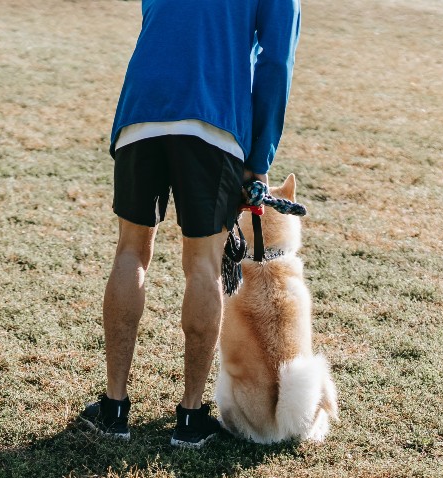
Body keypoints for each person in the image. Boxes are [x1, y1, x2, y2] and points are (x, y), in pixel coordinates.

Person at [79, 0, 302, 449]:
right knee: (204, 265)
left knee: (130, 251)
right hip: (214, 116)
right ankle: (189, 416)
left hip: (141, 109)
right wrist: (259, 162)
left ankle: (114, 407)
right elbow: (276, 60)